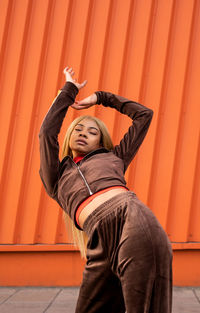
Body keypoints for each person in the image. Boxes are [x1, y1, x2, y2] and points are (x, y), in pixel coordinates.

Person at [39, 66, 173, 313]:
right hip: (99, 240)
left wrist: (102, 98)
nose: (83, 134)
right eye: (78, 129)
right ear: (69, 137)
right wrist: (68, 91)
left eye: (92, 132)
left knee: (141, 305)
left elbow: (144, 115)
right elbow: (47, 133)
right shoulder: (56, 178)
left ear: (100, 142)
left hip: (130, 216)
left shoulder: (115, 158)